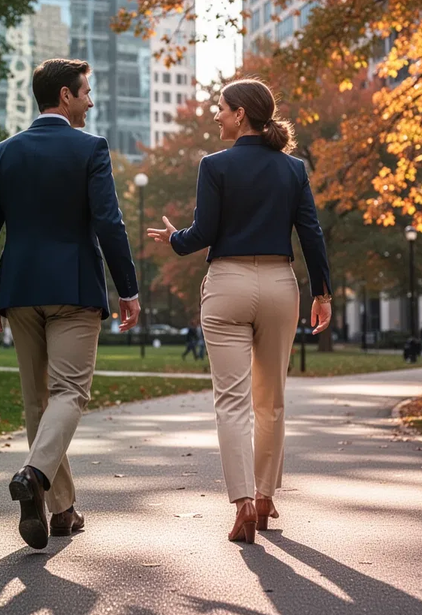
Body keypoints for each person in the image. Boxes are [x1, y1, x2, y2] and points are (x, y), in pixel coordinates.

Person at [147, 78, 331, 545]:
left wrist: (173, 239)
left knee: (232, 401)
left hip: (227, 284)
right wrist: (322, 292)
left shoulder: (215, 165)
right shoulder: (294, 169)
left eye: (221, 109)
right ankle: (266, 498)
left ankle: (243, 502)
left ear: (242, 114)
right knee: (271, 400)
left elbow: (202, 233)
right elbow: (311, 233)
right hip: (279, 284)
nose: (216, 116)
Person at [0, 58, 140, 550]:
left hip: (18, 290)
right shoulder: (90, 148)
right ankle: (34, 476)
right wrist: (126, 288)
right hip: (74, 289)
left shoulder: (1, 154)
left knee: (36, 401)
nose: (91, 101)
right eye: (86, 92)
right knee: (70, 393)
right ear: (64, 96)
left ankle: (61, 511)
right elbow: (109, 221)